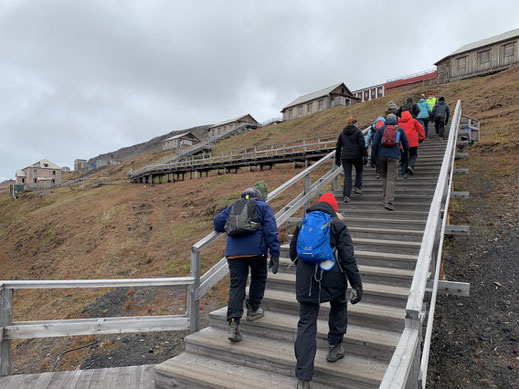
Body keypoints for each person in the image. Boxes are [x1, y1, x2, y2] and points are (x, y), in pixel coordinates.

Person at [290, 193, 362, 389]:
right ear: (334, 209)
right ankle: (334, 347)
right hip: (333, 277)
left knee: (306, 322)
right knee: (338, 305)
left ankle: (303, 378)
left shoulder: (303, 222)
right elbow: (348, 258)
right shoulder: (338, 225)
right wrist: (356, 284)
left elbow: (292, 253)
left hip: (306, 280)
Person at [213, 180, 280, 342]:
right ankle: (252, 308)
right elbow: (271, 230)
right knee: (258, 277)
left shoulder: (234, 205)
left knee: (237, 285)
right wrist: (275, 253)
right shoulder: (263, 206)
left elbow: (217, 222)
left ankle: (234, 325)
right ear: (261, 196)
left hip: (234, 253)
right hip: (256, 252)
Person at [370, 114, 409, 211]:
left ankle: (386, 196)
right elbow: (406, 144)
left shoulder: (381, 129)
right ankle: (389, 201)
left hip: (381, 156)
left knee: (384, 176)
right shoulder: (399, 129)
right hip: (394, 156)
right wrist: (404, 156)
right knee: (391, 178)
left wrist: (372, 158)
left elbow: (374, 144)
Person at [335, 116, 367, 203]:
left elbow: (338, 147)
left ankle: (346, 195)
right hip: (357, 156)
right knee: (359, 171)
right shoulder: (358, 132)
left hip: (345, 157)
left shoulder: (342, 134)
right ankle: (357, 187)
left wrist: (337, 159)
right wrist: (365, 156)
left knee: (347, 175)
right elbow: (362, 145)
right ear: (354, 123)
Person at [398, 111, 425, 177]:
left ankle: (404, 172)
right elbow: (420, 128)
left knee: (404, 157)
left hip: (402, 143)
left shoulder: (398, 123)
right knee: (413, 155)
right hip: (413, 142)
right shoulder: (413, 121)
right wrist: (422, 137)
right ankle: (410, 165)